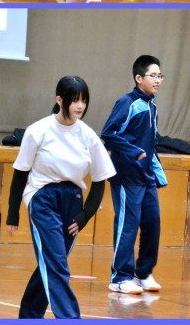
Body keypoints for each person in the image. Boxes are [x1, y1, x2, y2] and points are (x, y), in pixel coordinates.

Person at [6, 75, 116, 319]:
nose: (80, 106)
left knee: (51, 262)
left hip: (73, 202)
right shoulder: (38, 131)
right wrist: (13, 214)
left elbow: (100, 179)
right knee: (57, 264)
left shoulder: (88, 136)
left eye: (84, 101)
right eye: (74, 100)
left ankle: (29, 315)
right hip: (42, 198)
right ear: (59, 100)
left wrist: (85, 215)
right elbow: (20, 173)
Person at [101, 55, 167, 295]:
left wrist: (155, 170)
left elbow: (151, 143)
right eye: (153, 75)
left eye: (160, 76)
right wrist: (133, 151)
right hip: (127, 176)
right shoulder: (127, 102)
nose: (157, 80)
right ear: (139, 78)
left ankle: (143, 273)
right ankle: (120, 277)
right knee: (127, 225)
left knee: (152, 223)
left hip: (146, 177)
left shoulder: (152, 106)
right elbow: (108, 133)